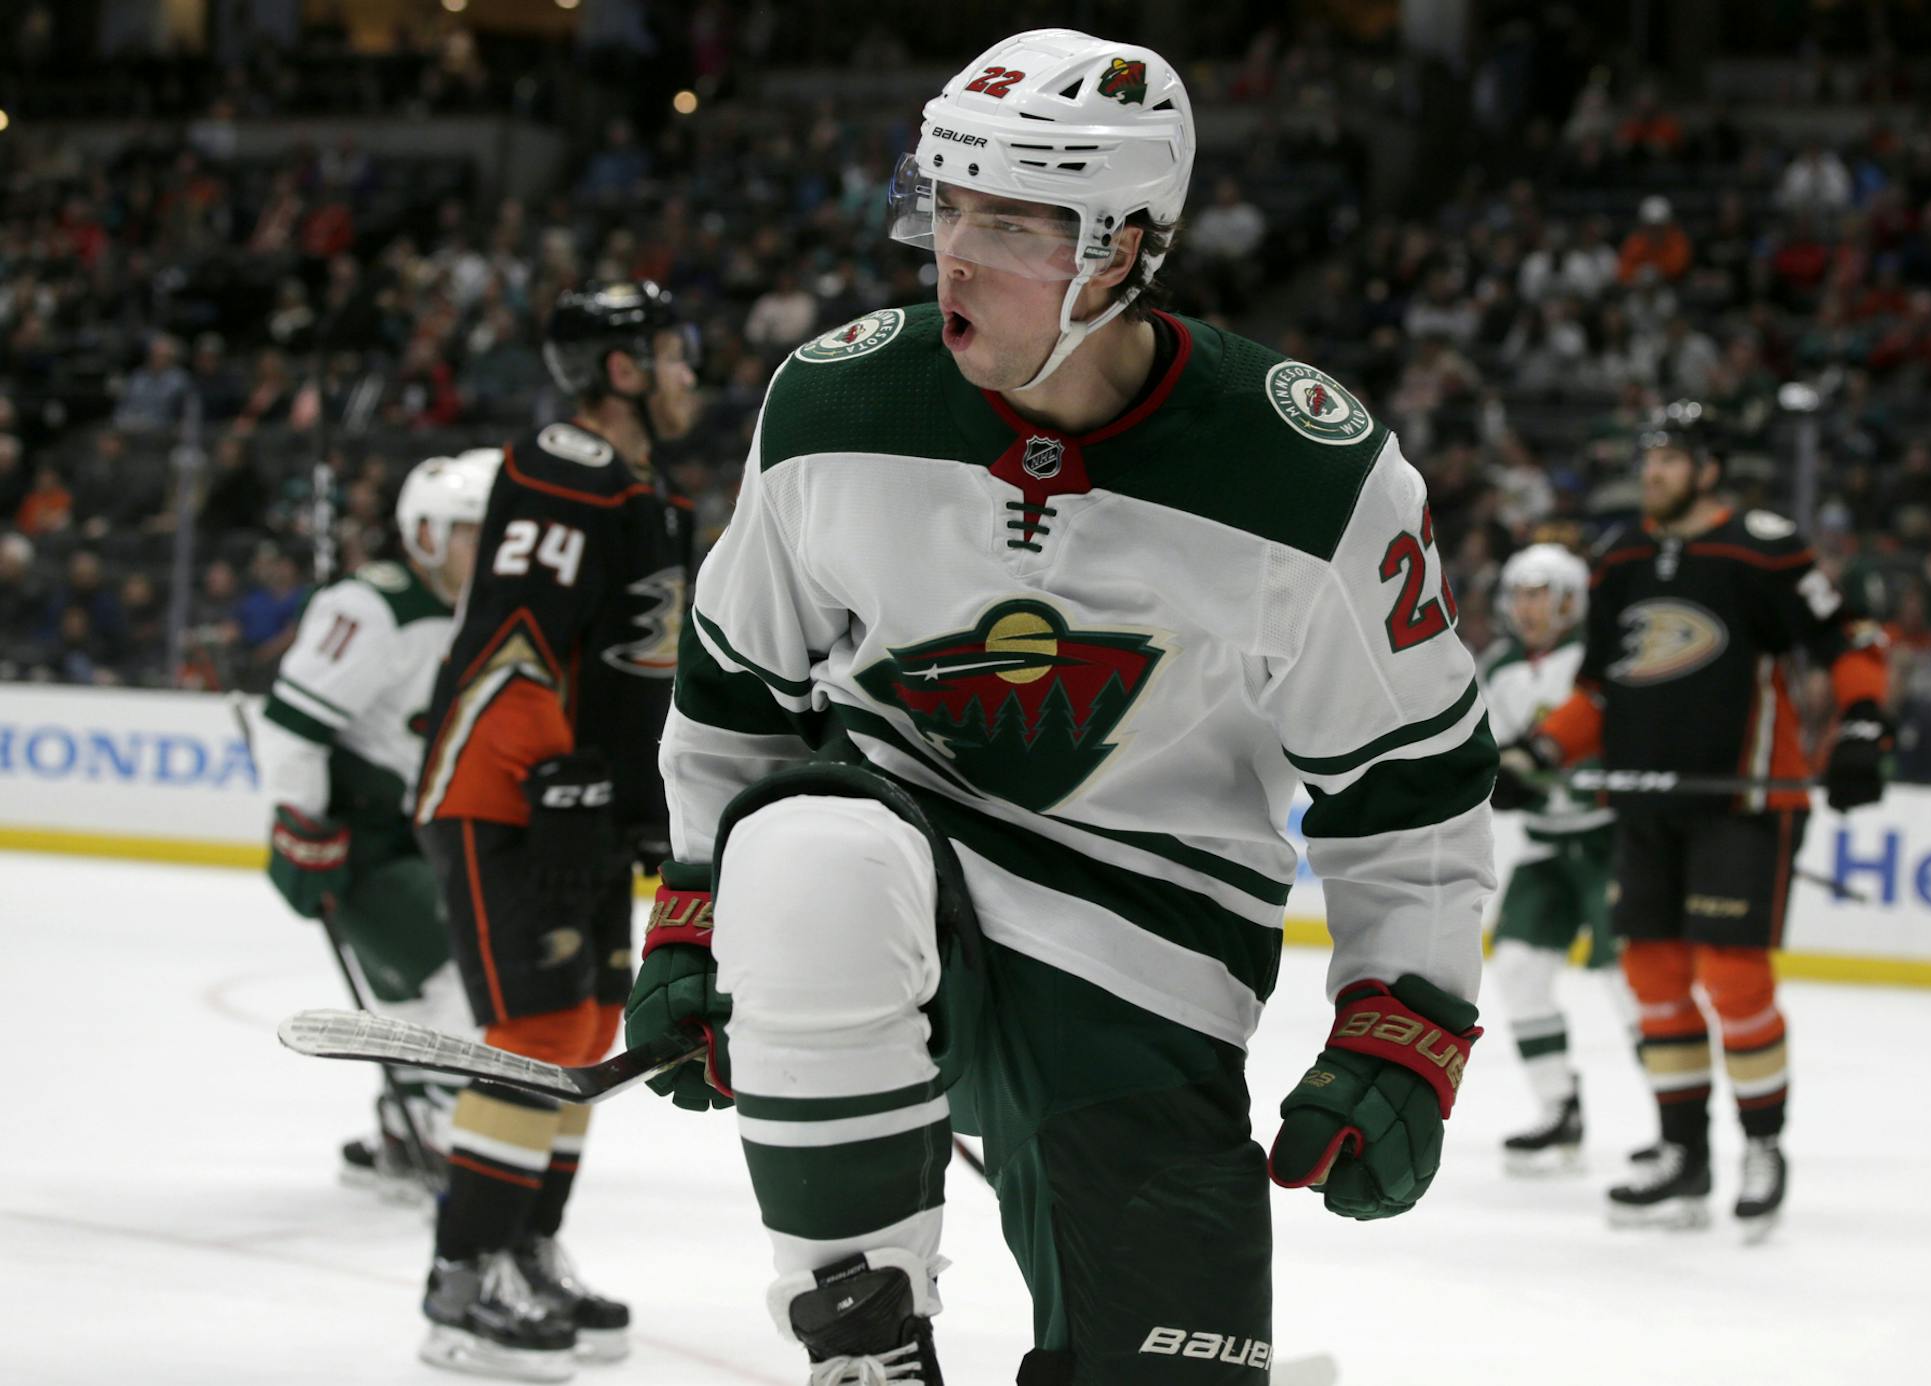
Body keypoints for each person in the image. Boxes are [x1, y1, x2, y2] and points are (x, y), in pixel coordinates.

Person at [637, 29, 1496, 1384]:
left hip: (1143, 957)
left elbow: (1412, 783)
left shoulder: (1311, 478)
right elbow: (737, 690)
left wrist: (1408, 1018)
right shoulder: (838, 400)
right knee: (807, 847)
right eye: (947, 204)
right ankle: (860, 1340)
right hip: (893, 875)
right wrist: (697, 902)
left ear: (1124, 247)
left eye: (1014, 223)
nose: (955, 256)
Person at [1499, 401, 1890, 1242]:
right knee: (1654, 980)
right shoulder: (1624, 556)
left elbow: (1849, 639)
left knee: (1734, 979)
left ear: (1710, 468)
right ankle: (1684, 1157)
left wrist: (1862, 726)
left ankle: (1761, 1148)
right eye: (1648, 459)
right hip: (1645, 804)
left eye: (1672, 459)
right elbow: (1601, 689)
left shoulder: (1762, 545)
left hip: (1741, 800)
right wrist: (1538, 754)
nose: (1654, 472)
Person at [411, 281, 698, 1379]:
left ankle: (526, 1250)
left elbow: (627, 671)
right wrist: (549, 777)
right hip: (506, 787)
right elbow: (516, 635)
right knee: (535, 1033)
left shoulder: (639, 489)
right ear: (619, 371)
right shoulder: (564, 464)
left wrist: (637, 799)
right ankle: (459, 1281)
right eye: (669, 354)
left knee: (584, 1038)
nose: (687, 373)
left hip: (575, 797)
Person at [255, 449, 500, 1201]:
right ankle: (428, 1119)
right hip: (361, 839)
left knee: (422, 987)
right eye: (471, 532)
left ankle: (408, 1122)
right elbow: (295, 726)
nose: (488, 549)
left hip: (421, 832)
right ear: (425, 535)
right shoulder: (373, 608)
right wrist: (301, 824)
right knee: (456, 968)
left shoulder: (482, 613)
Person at [1480, 543, 1639, 1174]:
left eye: (1540, 593)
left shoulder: (1597, 659)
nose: (1527, 607)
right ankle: (1558, 1109)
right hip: (1547, 845)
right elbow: (1488, 752)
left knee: (1629, 983)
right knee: (1517, 967)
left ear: (1571, 599)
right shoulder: (1497, 669)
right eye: (1519, 594)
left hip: (1611, 841)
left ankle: (1677, 1123)